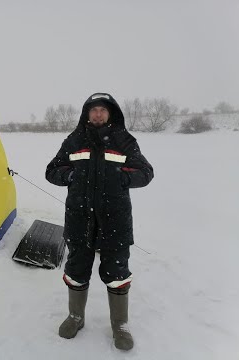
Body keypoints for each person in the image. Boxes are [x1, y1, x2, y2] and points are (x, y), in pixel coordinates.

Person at [45, 92, 154, 350]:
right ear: (86, 114)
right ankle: (75, 316)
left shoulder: (124, 141)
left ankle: (120, 325)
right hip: (79, 218)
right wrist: (70, 177)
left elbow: (146, 172)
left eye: (102, 110)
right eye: (93, 110)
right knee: (76, 268)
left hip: (114, 218)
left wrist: (122, 178)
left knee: (117, 272)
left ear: (110, 113)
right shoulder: (73, 140)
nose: (97, 114)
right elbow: (52, 171)